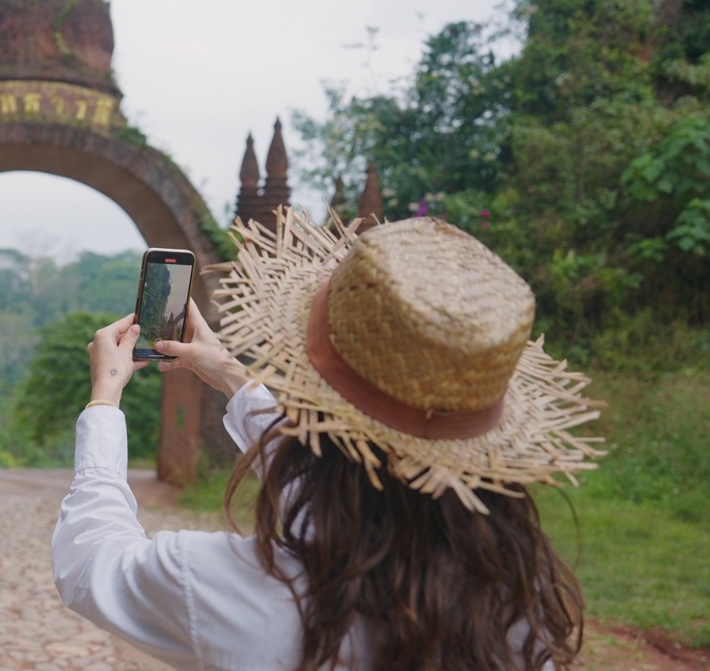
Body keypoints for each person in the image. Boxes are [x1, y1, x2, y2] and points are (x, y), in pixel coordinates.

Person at [51, 208, 605, 671]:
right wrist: (225, 370)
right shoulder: (514, 594)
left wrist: (105, 397)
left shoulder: (237, 589)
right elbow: (328, 470)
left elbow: (90, 564)